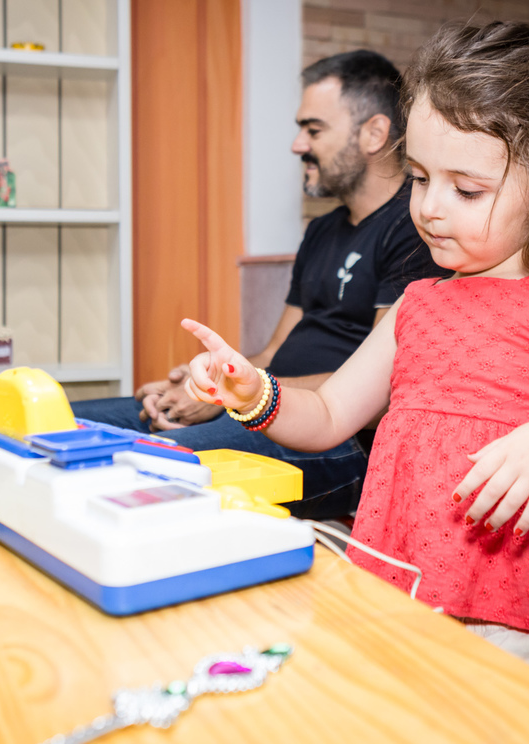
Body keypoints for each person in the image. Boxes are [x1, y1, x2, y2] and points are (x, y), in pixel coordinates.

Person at [178, 21, 529, 677]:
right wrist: (255, 393)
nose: (431, 208)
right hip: (404, 602)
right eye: (419, 179)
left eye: (466, 188)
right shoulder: (419, 303)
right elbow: (332, 414)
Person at [72, 49, 445, 519]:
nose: (297, 144)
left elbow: (382, 390)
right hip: (264, 401)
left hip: (342, 441)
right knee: (61, 425)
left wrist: (235, 399)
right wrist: (203, 382)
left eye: (313, 129)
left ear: (374, 133)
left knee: (141, 463)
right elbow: (271, 352)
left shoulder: (412, 230)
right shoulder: (321, 231)